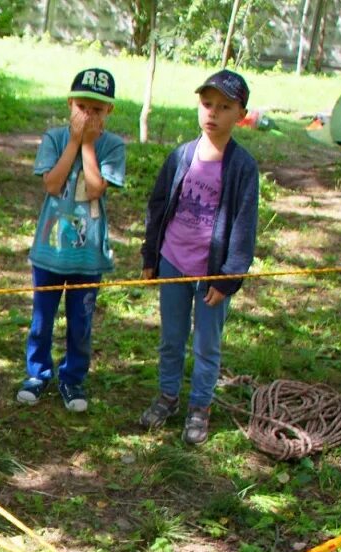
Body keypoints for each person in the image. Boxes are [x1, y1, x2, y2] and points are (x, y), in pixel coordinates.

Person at [138, 69, 259, 445]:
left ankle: (199, 407)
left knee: (207, 343)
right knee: (171, 337)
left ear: (240, 114)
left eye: (224, 107)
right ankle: (168, 396)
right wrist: (150, 256)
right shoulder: (181, 156)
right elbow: (159, 206)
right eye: (207, 104)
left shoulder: (242, 167)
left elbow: (243, 225)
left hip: (212, 274)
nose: (213, 113)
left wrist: (227, 278)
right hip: (174, 260)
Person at [15, 67, 125, 413]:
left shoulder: (112, 146)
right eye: (82, 107)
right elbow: (51, 184)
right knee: (42, 318)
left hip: (87, 255)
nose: (88, 115)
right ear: (69, 104)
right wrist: (74, 142)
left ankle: (73, 377)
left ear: (109, 112)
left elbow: (94, 189)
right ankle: (37, 373)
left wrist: (88, 144)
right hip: (50, 251)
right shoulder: (54, 138)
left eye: (97, 109)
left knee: (80, 321)